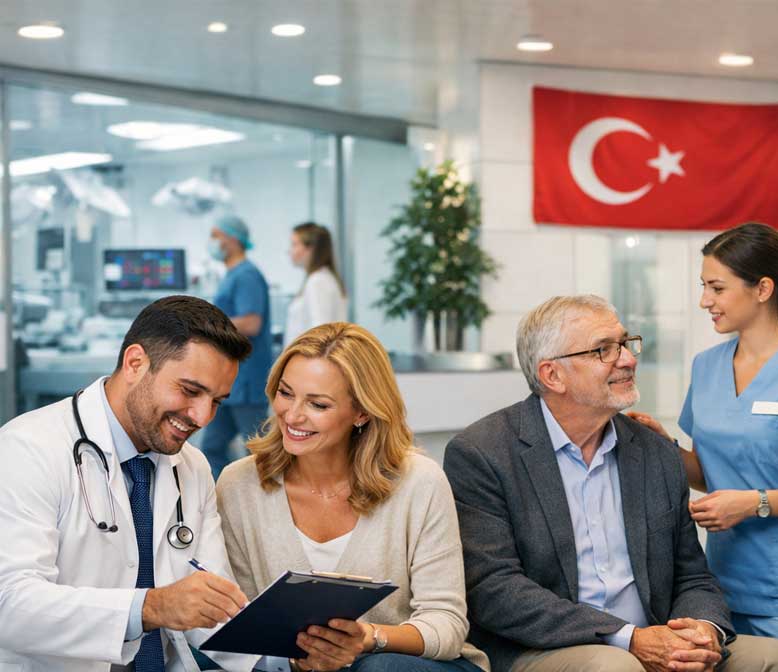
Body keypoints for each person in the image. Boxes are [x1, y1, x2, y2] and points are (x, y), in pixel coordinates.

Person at [443, 295, 778, 672]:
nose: (628, 359)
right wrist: (628, 639)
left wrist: (701, 631)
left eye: (624, 343)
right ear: (552, 375)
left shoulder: (655, 450)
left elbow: (692, 575)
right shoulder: (482, 453)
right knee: (616, 668)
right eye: (603, 350)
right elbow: (494, 589)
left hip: (657, 634)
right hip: (545, 648)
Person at [628, 222, 778, 672]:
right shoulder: (708, 366)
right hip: (718, 595)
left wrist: (756, 503)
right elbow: (709, 470)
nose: (704, 301)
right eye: (703, 286)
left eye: (716, 287)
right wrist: (665, 447)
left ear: (763, 289)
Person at [0, 295, 258, 672]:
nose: (202, 416)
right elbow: (9, 603)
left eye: (216, 401)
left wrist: (289, 656)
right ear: (135, 363)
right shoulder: (29, 448)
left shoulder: (192, 466)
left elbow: (213, 605)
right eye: (189, 391)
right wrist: (150, 607)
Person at [217, 322, 488, 672]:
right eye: (285, 393)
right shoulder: (239, 484)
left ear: (361, 412)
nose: (293, 415)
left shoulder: (420, 482)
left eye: (318, 404)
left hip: (406, 665)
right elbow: (240, 625)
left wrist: (368, 637)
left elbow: (446, 625)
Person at [204, 214, 274, 477]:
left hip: (246, 380)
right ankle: (222, 502)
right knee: (212, 446)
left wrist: (207, 326)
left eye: (216, 236)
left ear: (233, 240)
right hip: (228, 381)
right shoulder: (232, 275)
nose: (211, 242)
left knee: (260, 451)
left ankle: (268, 503)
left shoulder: (247, 276)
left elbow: (251, 322)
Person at [284, 222, 348, 348]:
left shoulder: (318, 281)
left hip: (309, 363)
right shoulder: (323, 278)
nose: (290, 251)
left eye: (294, 244)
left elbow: (321, 333)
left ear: (310, 249)